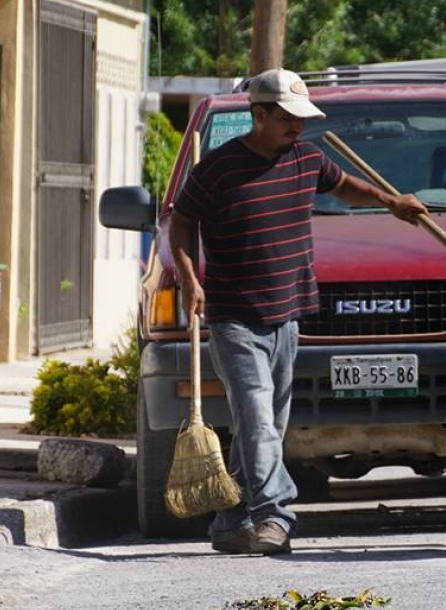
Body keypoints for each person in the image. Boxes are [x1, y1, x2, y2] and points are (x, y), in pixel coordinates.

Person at [170, 68, 427, 555]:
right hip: (234, 317)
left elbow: (345, 185)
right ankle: (275, 515)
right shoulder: (217, 169)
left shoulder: (306, 158)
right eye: (287, 118)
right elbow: (180, 223)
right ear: (259, 114)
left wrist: (390, 203)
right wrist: (188, 278)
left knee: (263, 426)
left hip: (287, 314)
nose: (297, 127)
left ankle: (229, 523)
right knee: (259, 420)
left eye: (301, 118)